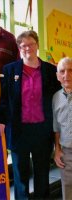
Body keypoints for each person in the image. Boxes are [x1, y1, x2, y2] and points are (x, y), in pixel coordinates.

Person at [0, 30, 61, 199]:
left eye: (31, 44)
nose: (28, 48)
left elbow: (57, 99)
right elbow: (4, 99)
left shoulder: (50, 71)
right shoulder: (10, 70)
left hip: (43, 130)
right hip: (19, 131)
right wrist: (1, 121)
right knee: (20, 175)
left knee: (42, 174)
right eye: (23, 45)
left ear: (37, 45)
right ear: (19, 48)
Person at [52, 57, 72, 200]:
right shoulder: (55, 98)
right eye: (62, 71)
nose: (67, 75)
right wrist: (57, 150)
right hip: (66, 152)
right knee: (67, 188)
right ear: (58, 76)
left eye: (71, 70)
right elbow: (56, 126)